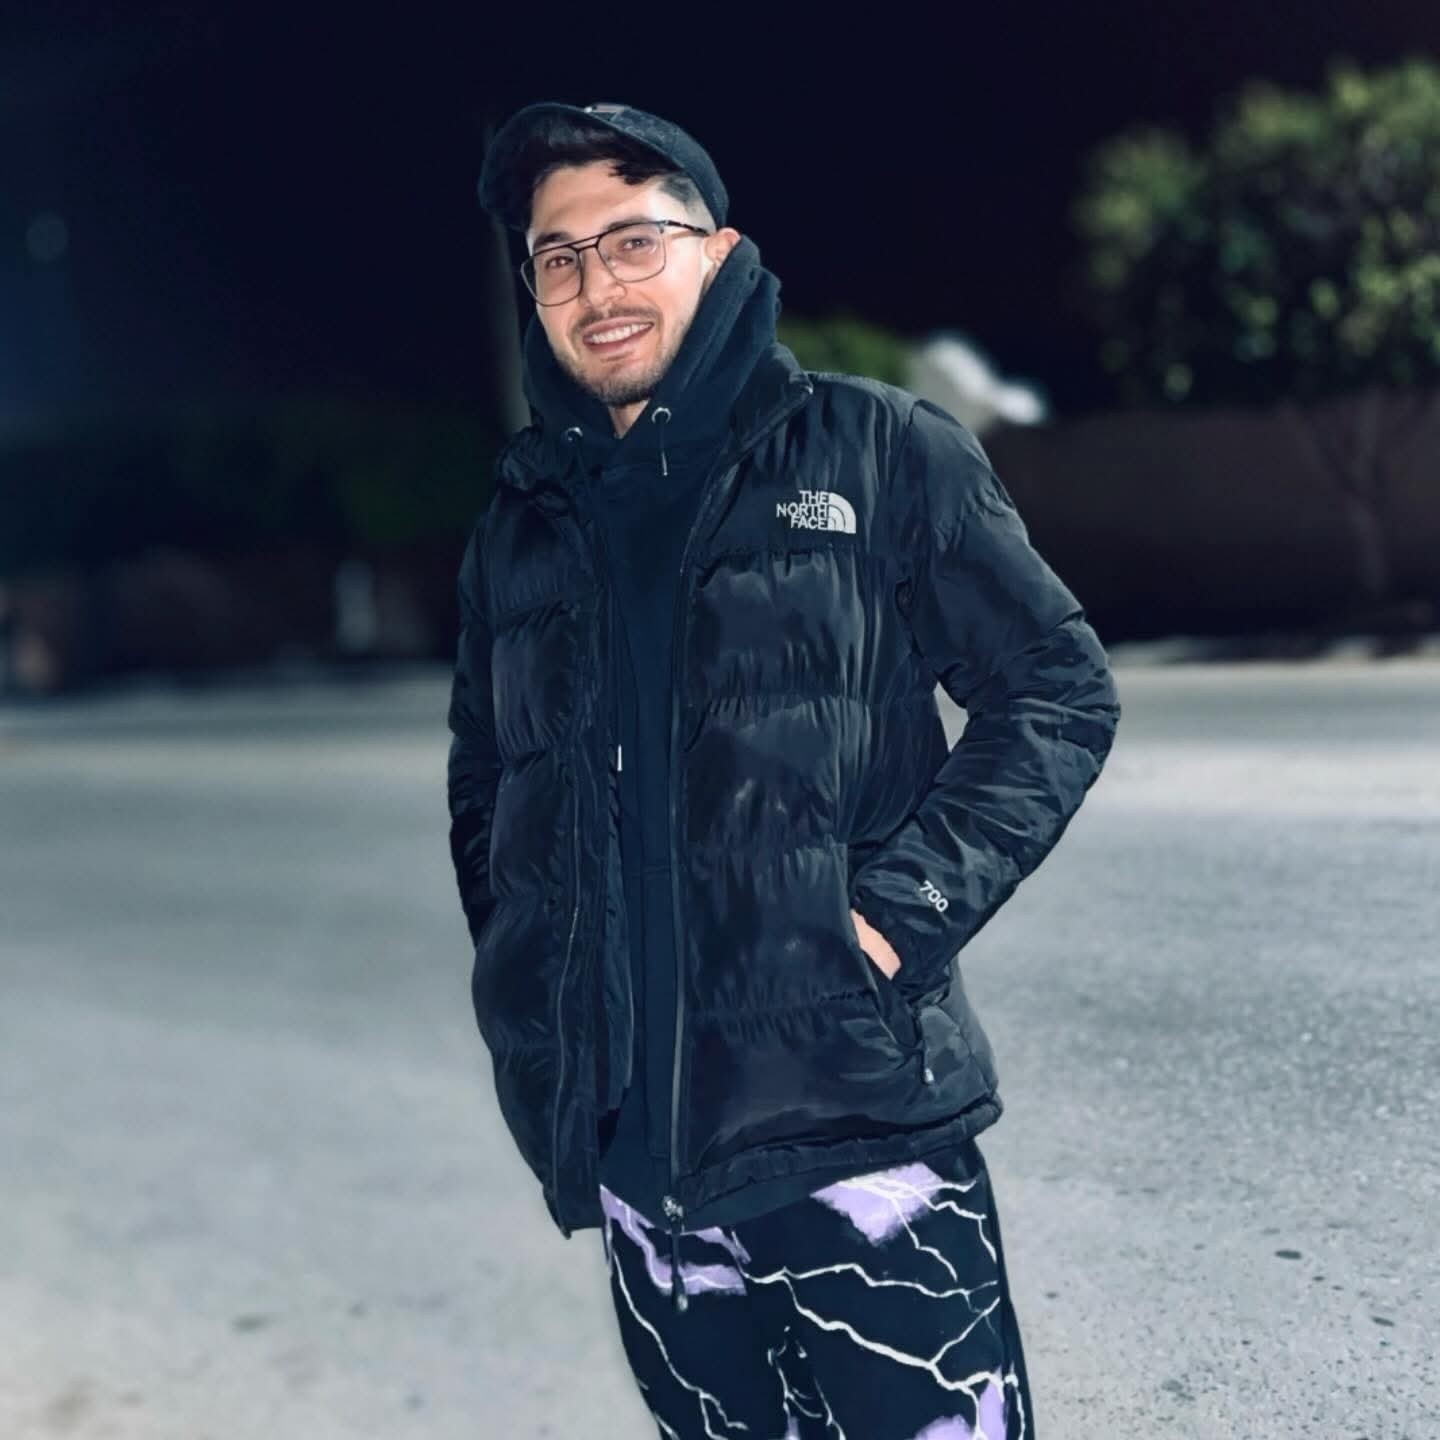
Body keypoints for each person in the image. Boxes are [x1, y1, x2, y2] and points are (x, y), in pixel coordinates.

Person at [449, 99, 1121, 1439]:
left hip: (856, 1146)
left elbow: (1056, 689)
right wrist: (536, 976)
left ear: (718, 250)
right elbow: (489, 790)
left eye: (632, 240)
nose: (596, 286)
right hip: (644, 1180)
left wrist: (895, 916)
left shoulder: (880, 450)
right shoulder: (522, 529)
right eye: (558, 258)